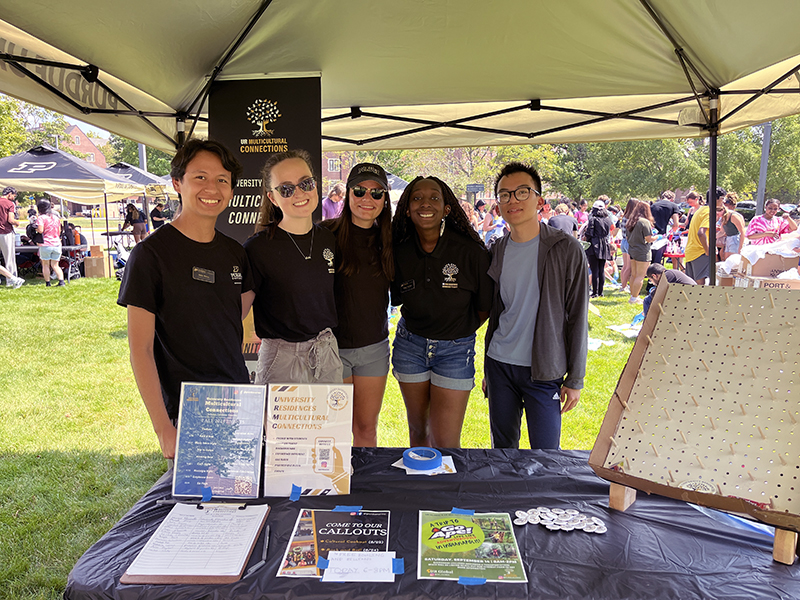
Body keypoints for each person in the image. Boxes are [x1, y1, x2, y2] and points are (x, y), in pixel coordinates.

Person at [117, 138, 253, 460]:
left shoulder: (235, 253)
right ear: (177, 183)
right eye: (200, 177)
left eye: (222, 180)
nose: (212, 188)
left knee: (243, 503)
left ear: (231, 190)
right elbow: (141, 350)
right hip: (188, 412)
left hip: (237, 401)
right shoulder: (150, 255)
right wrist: (164, 429)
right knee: (198, 509)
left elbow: (235, 314)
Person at [484, 162, 589, 450]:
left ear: (540, 201)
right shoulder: (497, 250)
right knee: (503, 451)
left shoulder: (566, 249)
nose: (512, 200)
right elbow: (497, 313)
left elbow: (578, 315)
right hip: (500, 365)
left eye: (521, 192)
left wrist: (576, 378)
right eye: (504, 195)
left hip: (544, 370)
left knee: (545, 454)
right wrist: (487, 370)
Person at [391, 176, 492, 448]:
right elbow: (396, 297)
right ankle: (420, 490)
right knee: (418, 433)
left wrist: (455, 332)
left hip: (455, 351)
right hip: (410, 347)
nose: (426, 203)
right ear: (407, 208)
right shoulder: (398, 251)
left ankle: (445, 489)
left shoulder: (471, 251)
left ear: (447, 208)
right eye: (417, 198)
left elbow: (484, 307)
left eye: (434, 197)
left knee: (446, 443)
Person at [243, 150, 342, 385]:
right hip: (281, 358)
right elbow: (236, 312)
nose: (299, 193)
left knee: (329, 423)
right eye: (286, 188)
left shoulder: (328, 239)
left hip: (325, 351)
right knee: (277, 424)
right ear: (273, 198)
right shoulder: (258, 248)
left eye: (306, 183)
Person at [322, 163, 393, 447]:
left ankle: (364, 487)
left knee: (365, 428)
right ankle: (335, 488)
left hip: (373, 348)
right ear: (348, 193)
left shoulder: (390, 240)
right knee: (334, 430)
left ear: (385, 199)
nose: (368, 199)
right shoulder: (324, 234)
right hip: (330, 349)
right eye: (360, 190)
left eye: (377, 193)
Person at [684, 187, 724, 285]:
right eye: (722, 199)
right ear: (716, 199)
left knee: (692, 287)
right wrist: (707, 251)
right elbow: (701, 233)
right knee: (700, 287)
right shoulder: (710, 212)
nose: (723, 201)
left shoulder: (700, 210)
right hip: (700, 252)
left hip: (691, 252)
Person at [626, 200, 656, 303]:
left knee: (633, 274)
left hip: (632, 249)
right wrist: (657, 237)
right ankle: (634, 297)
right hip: (642, 251)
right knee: (640, 276)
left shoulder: (631, 221)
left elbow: (626, 236)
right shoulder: (645, 222)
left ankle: (633, 295)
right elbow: (648, 238)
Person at [584, 200, 614, 298]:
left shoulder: (593, 219)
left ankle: (595, 292)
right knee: (601, 269)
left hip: (594, 245)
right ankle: (600, 292)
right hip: (604, 244)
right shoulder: (608, 219)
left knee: (595, 269)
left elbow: (589, 233)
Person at [36, 199, 65, 287]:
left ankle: (48, 283)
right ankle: (61, 281)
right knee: (55, 265)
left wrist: (35, 229)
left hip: (46, 244)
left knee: (45, 264)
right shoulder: (56, 218)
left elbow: (40, 230)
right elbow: (59, 231)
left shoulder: (41, 218)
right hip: (56, 243)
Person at [650, 191, 681, 265]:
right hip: (662, 237)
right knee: (657, 261)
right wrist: (672, 233)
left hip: (651, 235)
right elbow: (676, 224)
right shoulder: (673, 206)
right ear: (672, 199)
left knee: (651, 260)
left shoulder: (653, 206)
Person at [618, 198, 639, 293]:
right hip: (629, 242)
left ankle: (623, 285)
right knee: (629, 267)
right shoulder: (632, 218)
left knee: (625, 266)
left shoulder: (624, 217)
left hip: (623, 242)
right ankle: (624, 285)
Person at [0, 186, 19, 283]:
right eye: (14, 196)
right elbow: (10, 220)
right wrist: (17, 222)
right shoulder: (10, 204)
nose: (14, 198)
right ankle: (12, 280)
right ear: (9, 194)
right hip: (5, 232)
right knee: (9, 258)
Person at [719, 193, 746, 259]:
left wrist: (740, 248)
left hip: (735, 239)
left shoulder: (733, 216)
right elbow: (722, 232)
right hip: (728, 238)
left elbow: (742, 232)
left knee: (733, 260)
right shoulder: (723, 217)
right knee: (726, 259)